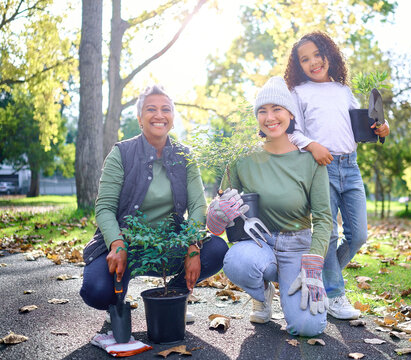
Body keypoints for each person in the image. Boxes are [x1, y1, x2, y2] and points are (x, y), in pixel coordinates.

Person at [80, 84, 229, 324]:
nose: (159, 115)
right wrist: (116, 243)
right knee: (96, 291)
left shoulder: (185, 157)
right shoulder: (121, 153)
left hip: (170, 243)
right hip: (126, 244)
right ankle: (116, 301)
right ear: (140, 118)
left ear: (172, 118)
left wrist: (192, 244)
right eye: (151, 109)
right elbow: (104, 207)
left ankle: (174, 296)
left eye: (166, 109)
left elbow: (198, 206)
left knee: (217, 250)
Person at [206, 76, 333, 337]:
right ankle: (262, 293)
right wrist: (218, 212)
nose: (269, 117)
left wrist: (314, 263)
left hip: (299, 247)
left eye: (277, 109)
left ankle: (294, 285)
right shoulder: (242, 159)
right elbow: (220, 210)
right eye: (262, 111)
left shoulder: (310, 160)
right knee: (237, 261)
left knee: (309, 328)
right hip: (258, 242)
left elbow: (323, 218)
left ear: (290, 114)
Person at [284, 31, 390, 320]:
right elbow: (292, 132)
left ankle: (317, 275)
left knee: (358, 235)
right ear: (299, 66)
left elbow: (363, 123)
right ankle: (334, 293)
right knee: (328, 234)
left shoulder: (343, 90)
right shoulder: (299, 93)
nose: (314, 62)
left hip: (351, 167)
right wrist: (313, 145)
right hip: (320, 168)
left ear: (329, 55)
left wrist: (382, 127)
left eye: (318, 55)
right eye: (305, 59)